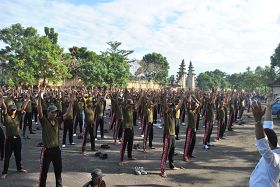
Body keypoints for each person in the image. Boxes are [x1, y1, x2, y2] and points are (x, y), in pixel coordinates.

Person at [37, 90, 67, 187]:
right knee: (44, 173)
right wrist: (39, 100)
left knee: (58, 171)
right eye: (53, 112)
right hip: (47, 151)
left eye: (55, 112)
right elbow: (40, 112)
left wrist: (71, 103)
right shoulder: (44, 121)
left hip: (56, 150)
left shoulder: (58, 121)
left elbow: (68, 114)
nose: (54, 114)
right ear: (49, 113)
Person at [249, 94, 280, 186]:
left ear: (268, 143)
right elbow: (268, 126)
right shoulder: (276, 148)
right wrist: (269, 107)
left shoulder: (274, 159)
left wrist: (258, 121)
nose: (256, 143)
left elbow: (262, 143)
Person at [0, 96, 28, 179]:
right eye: (11, 110)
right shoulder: (6, 117)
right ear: (9, 110)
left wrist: (27, 99)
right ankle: (4, 172)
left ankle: (19, 168)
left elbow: (23, 108)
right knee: (7, 156)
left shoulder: (18, 117)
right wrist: (2, 101)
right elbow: (5, 108)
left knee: (18, 155)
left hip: (17, 139)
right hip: (9, 139)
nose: (13, 111)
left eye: (14, 109)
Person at [160, 92, 185, 177]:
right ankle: (162, 170)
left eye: (172, 107)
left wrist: (183, 97)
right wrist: (163, 97)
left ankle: (171, 165)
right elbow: (164, 106)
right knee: (165, 152)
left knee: (171, 152)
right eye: (170, 107)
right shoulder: (166, 114)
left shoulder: (173, 113)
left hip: (173, 135)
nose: (171, 108)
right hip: (167, 136)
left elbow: (179, 106)